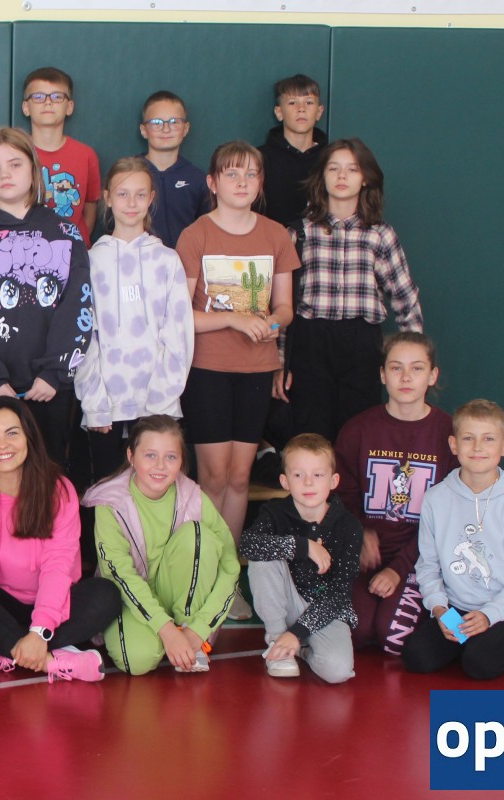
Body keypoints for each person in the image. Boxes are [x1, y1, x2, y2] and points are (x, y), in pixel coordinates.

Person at [176, 141, 298, 620]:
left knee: (241, 478)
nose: (242, 182)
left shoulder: (275, 234)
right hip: (206, 370)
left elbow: (285, 307)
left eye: (251, 174)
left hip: (256, 370)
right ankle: (202, 578)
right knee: (212, 477)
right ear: (213, 183)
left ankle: (228, 582)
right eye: (231, 174)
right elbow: (181, 314)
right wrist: (232, 319)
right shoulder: (196, 235)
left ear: (260, 183)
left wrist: (270, 324)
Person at [0, 398, 121, 682]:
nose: (2, 445)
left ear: (28, 436)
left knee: (105, 596)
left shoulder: (57, 490)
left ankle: (4, 653)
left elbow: (58, 566)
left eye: (11, 433)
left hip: (49, 605)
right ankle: (51, 662)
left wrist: (40, 631)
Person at [0, 127, 92, 465]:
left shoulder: (65, 232)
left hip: (48, 389)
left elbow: (78, 306)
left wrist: (54, 372)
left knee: (47, 477)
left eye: (15, 164)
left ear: (33, 169)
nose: (5, 175)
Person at [284, 138, 423, 441]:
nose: (342, 176)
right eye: (334, 169)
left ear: (366, 179)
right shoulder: (299, 232)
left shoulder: (380, 234)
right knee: (310, 427)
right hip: (311, 339)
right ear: (322, 176)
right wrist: (281, 360)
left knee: (359, 429)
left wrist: (415, 355)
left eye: (352, 169)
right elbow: (281, 301)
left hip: (361, 342)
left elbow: (405, 297)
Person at [85, 414, 238, 675]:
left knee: (197, 537)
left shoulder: (193, 496)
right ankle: (171, 636)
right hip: (132, 597)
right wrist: (165, 630)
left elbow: (230, 567)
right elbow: (121, 575)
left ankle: (187, 634)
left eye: (171, 457)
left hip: (179, 596)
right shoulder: (111, 503)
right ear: (131, 456)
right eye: (150, 455)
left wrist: (198, 629)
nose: (160, 466)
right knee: (137, 661)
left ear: (181, 461)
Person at [335, 332, 457, 655]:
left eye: (417, 368)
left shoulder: (449, 435)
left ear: (432, 375)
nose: (405, 377)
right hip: (364, 558)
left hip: (419, 560)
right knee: (356, 632)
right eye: (396, 368)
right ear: (382, 374)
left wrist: (400, 567)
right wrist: (359, 533)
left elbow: (449, 518)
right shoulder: (357, 430)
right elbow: (341, 497)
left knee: (394, 638)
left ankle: (455, 621)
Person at [75, 157, 193, 484]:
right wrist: (95, 402)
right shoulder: (90, 261)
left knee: (155, 490)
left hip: (158, 404)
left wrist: (161, 401)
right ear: (107, 197)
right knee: (108, 490)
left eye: (140, 195)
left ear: (151, 198)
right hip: (106, 404)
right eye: (122, 194)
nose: (131, 203)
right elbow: (84, 336)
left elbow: (179, 335)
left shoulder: (167, 260)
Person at [403, 399, 504, 680]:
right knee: (417, 657)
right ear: (454, 445)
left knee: (479, 664)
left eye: (488, 439)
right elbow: (428, 565)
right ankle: (474, 640)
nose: (477, 447)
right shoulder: (435, 499)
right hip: (457, 606)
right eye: (468, 438)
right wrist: (439, 608)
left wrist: (489, 615)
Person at [240, 433, 361, 683]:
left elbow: (339, 594)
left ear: (333, 480)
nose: (308, 483)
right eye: (298, 475)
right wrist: (302, 546)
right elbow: (248, 545)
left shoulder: (349, 526)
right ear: (284, 481)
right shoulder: (274, 513)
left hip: (324, 610)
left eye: (318, 475)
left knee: (338, 671)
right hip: (285, 604)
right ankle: (277, 642)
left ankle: (301, 648)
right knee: (263, 554)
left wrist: (297, 633)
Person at [21, 67, 101, 245]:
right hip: (28, 250)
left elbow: (90, 208)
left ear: (69, 106)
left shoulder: (86, 155)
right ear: (26, 107)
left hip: (74, 251)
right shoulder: (15, 154)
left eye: (57, 96)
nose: (48, 102)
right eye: (38, 96)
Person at [138, 91, 211, 248]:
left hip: (186, 260)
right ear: (144, 130)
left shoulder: (197, 179)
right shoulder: (128, 175)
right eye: (156, 122)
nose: (166, 129)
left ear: (185, 128)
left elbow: (207, 228)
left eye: (174, 122)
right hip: (137, 260)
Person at [258, 74, 328, 227]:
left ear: (319, 112)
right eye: (292, 102)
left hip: (322, 241)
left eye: (309, 102)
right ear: (279, 112)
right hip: (271, 240)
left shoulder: (332, 159)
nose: (301, 109)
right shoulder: (258, 159)